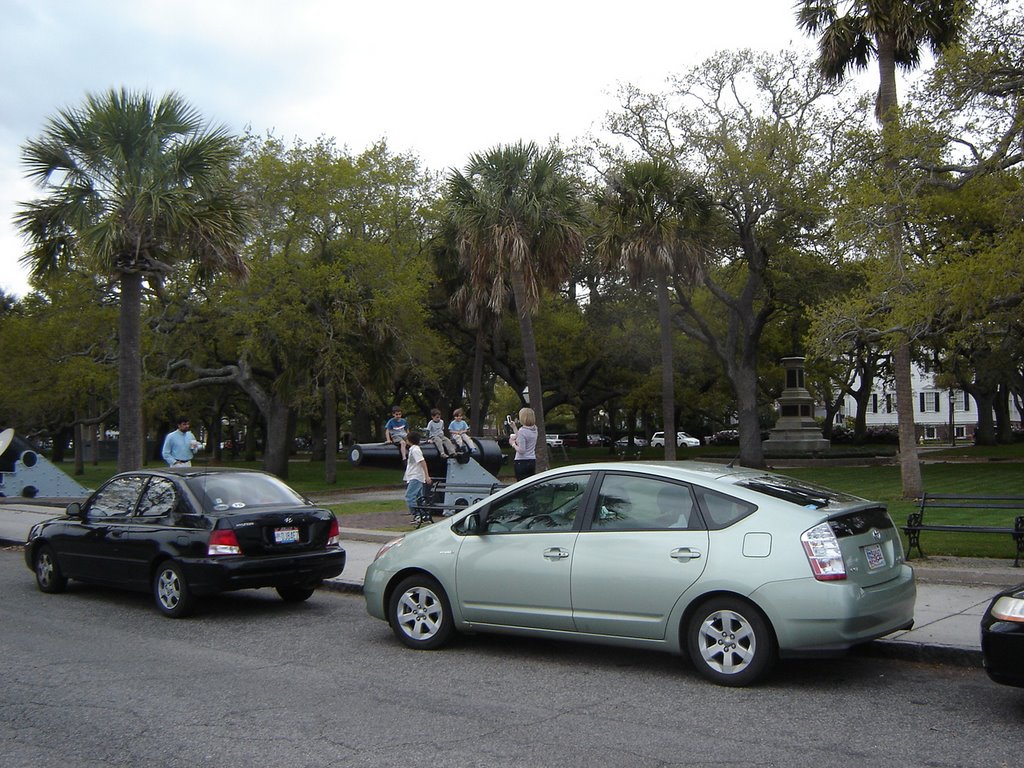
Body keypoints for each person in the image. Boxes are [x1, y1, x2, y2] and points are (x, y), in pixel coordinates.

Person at [403, 432, 432, 526]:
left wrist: (427, 476)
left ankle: (417, 515)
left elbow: (422, 462)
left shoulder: (415, 450)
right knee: (419, 498)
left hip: (416, 476)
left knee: (409, 496)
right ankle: (424, 516)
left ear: (409, 440)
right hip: (414, 475)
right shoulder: (413, 449)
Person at [508, 407, 538, 480]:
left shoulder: (522, 431)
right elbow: (521, 438)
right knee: (530, 484)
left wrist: (513, 444)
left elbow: (522, 450)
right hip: (532, 460)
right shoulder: (535, 429)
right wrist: (514, 428)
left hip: (521, 462)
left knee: (521, 485)